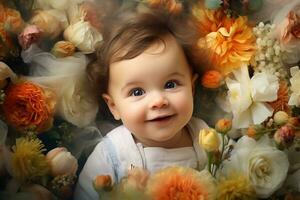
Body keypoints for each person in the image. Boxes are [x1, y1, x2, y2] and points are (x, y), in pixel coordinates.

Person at [74, 4, 210, 200]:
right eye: (137, 91)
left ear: (192, 87)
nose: (158, 101)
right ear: (114, 106)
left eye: (171, 84)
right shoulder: (112, 155)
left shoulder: (206, 139)